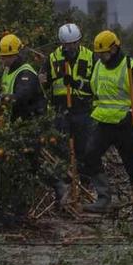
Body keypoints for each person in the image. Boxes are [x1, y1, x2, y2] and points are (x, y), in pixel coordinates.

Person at [80, 29, 133, 216]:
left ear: (115, 48)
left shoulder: (130, 66)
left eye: (104, 53)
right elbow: (93, 88)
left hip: (125, 125)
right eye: (98, 54)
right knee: (90, 155)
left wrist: (132, 112)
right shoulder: (99, 66)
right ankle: (103, 198)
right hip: (103, 123)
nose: (101, 57)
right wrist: (75, 83)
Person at [46, 22, 95, 200]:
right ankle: (64, 190)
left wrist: (77, 84)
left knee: (85, 150)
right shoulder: (52, 58)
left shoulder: (90, 57)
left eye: (75, 43)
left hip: (82, 110)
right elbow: (44, 82)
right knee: (61, 150)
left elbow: (97, 84)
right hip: (61, 111)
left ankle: (85, 187)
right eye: (68, 44)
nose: (71, 47)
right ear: (61, 43)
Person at [0, 34, 44, 122]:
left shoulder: (26, 73)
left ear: (16, 55)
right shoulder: (7, 70)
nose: (3, 60)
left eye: (6, 57)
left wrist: (1, 98)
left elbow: (22, 96)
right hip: (14, 121)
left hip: (29, 123)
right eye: (2, 57)